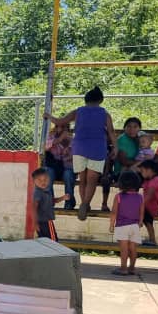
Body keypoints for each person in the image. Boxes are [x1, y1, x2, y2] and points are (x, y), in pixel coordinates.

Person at [47, 87, 117, 221]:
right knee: (92, 179)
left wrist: (48, 116)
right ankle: (85, 203)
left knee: (83, 178)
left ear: (86, 100)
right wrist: (116, 147)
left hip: (79, 148)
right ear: (100, 100)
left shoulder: (78, 112)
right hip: (97, 148)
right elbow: (111, 132)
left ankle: (83, 203)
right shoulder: (105, 114)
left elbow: (60, 121)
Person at [109, 170, 144, 276]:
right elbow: (141, 211)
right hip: (135, 226)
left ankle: (123, 269)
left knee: (124, 249)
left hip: (122, 226)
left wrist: (111, 225)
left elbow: (114, 212)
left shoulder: (118, 196)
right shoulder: (140, 197)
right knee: (133, 248)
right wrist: (140, 222)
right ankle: (132, 268)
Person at [44, 123, 75, 210]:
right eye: (58, 127)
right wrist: (59, 139)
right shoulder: (51, 137)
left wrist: (67, 153)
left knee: (68, 175)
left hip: (67, 168)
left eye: (63, 128)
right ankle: (50, 201)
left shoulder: (72, 139)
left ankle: (69, 202)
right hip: (53, 167)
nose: (60, 129)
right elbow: (45, 147)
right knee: (48, 173)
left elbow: (75, 156)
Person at [32, 167, 67, 241]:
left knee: (45, 240)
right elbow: (34, 207)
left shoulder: (46, 191)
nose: (43, 182)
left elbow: (52, 201)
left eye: (45, 180)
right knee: (53, 240)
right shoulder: (38, 193)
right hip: (45, 221)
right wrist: (35, 222)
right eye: (39, 180)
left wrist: (62, 198)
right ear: (34, 181)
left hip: (43, 221)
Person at [138, 160, 158, 246]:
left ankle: (152, 239)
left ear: (149, 170)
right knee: (146, 220)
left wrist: (139, 205)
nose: (141, 173)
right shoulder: (149, 180)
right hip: (148, 206)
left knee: (147, 221)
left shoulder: (155, 181)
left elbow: (149, 196)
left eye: (142, 171)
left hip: (151, 207)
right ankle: (151, 239)